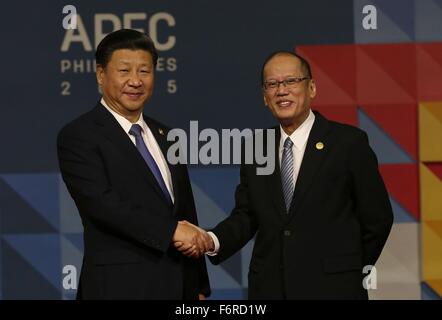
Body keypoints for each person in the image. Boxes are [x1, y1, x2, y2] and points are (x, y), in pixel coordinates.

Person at [176, 51, 394, 299]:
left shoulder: (348, 143)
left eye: (291, 81)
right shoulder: (257, 148)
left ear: (311, 88)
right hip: (270, 290)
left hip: (334, 290)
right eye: (272, 84)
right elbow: (247, 216)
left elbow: (377, 220)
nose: (282, 90)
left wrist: (346, 271)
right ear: (265, 98)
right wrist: (212, 239)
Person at [57, 29, 210, 300]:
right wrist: (171, 231)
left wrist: (198, 285)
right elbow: (102, 204)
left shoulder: (166, 135)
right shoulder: (79, 135)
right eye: (124, 71)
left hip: (178, 286)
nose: (135, 81)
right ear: (101, 74)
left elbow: (185, 211)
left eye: (144, 71)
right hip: (119, 286)